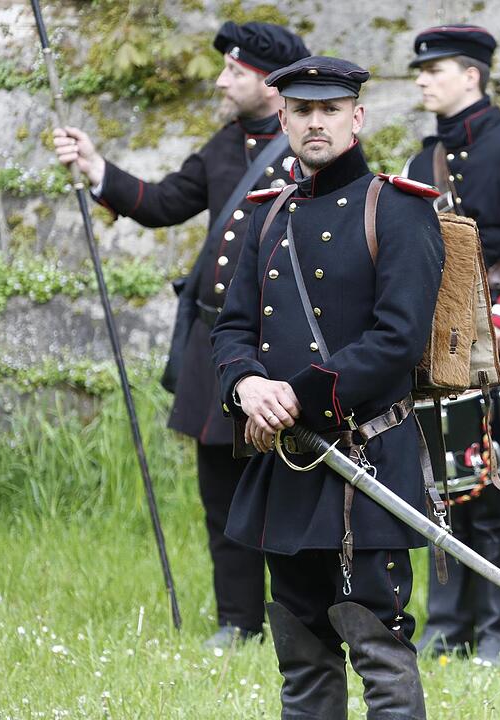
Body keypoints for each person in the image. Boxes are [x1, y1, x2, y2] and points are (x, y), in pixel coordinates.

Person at [53, 21, 309, 648]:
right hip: (218, 344)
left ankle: (301, 622)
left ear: (271, 85)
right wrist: (95, 167)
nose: (222, 80)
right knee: (219, 491)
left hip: (281, 347)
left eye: (235, 71)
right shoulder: (225, 145)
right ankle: (238, 621)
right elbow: (164, 201)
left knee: (294, 493)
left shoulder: (310, 151)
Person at [210, 55, 443, 719]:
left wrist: (292, 397)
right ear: (282, 118)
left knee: (378, 645)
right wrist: (247, 387)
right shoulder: (267, 215)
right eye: (303, 111)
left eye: (330, 110)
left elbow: (397, 339)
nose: (316, 122)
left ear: (356, 118)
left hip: (363, 463)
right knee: (301, 650)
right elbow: (230, 330)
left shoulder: (398, 211)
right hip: (286, 468)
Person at [401, 24, 500, 666]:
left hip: (499, 352)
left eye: (433, 70)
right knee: (437, 487)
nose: (421, 80)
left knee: (493, 491)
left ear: (472, 75)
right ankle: (446, 628)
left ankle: (494, 633)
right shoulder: (419, 162)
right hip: (436, 354)